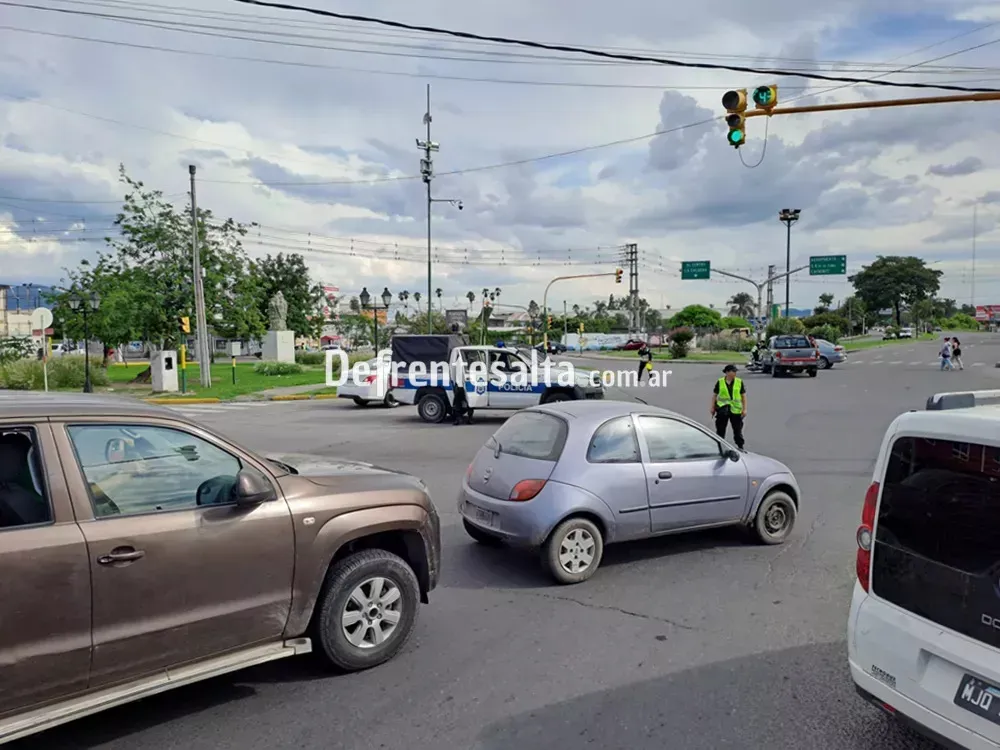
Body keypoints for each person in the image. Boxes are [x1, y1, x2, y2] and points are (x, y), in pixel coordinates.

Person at [711, 364, 746, 450]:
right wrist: (712, 407)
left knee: (737, 431)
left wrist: (744, 409)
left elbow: (743, 396)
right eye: (732, 371)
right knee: (720, 430)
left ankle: (740, 446)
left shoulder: (739, 382)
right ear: (727, 372)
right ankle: (719, 447)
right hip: (723, 409)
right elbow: (715, 395)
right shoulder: (720, 382)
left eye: (735, 372)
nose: (734, 373)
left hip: (736, 410)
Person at [450, 353, 473, 425]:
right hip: (463, 385)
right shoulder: (464, 362)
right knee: (468, 403)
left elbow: (454, 374)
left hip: (459, 385)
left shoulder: (458, 362)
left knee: (457, 404)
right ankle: (469, 419)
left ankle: (458, 419)